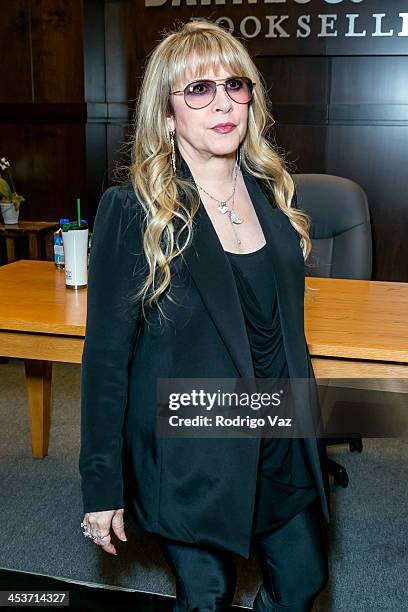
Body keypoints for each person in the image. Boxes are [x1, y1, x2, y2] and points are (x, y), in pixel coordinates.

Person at [79, 19, 331, 611]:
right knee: (207, 596)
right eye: (198, 89)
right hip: (189, 443)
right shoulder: (135, 211)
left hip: (277, 430)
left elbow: (283, 337)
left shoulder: (275, 199)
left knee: (302, 581)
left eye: (234, 85)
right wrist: (101, 484)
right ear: (167, 116)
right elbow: (107, 360)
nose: (223, 102)